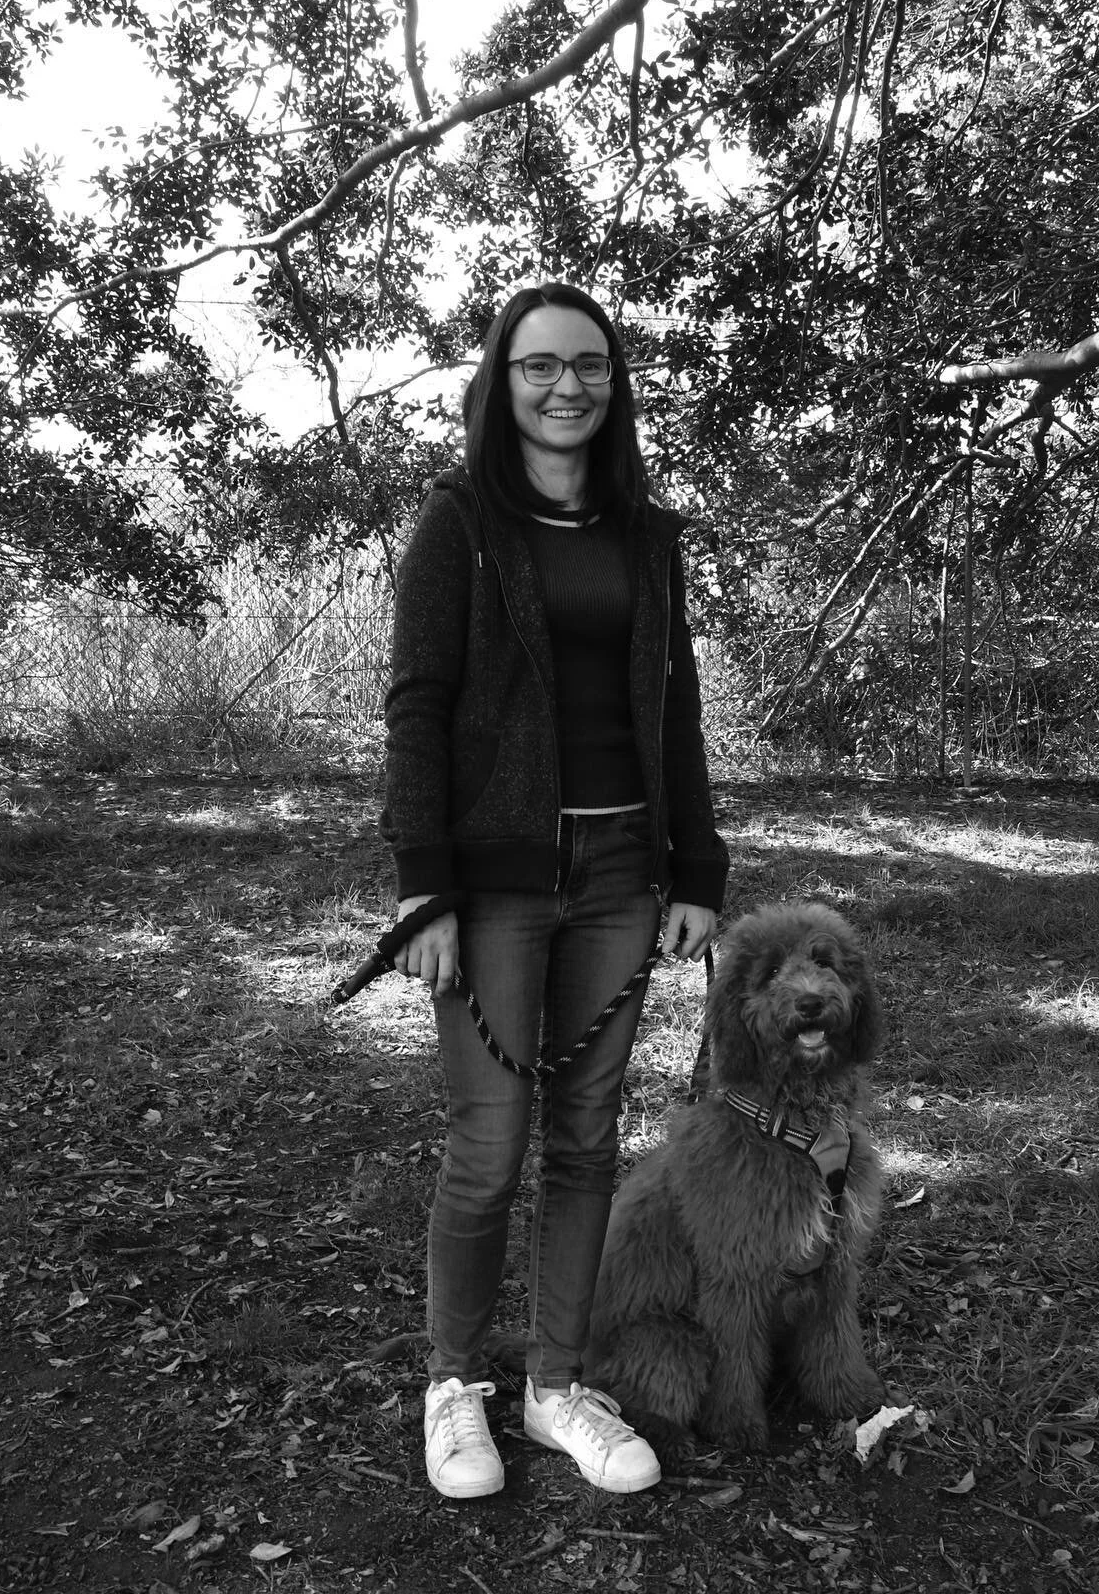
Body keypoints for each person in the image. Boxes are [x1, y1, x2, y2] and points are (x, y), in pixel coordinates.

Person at [381, 282, 729, 1500]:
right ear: (500, 381)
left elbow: (670, 708)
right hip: (496, 885)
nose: (566, 386)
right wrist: (426, 890)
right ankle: (454, 1386)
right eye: (539, 367)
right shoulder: (461, 522)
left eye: (589, 365)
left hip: (625, 875)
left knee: (587, 1140)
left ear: (614, 383)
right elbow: (418, 703)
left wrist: (700, 869)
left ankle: (554, 1387)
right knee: (491, 1146)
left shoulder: (647, 533)